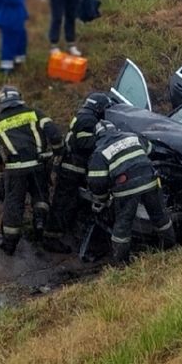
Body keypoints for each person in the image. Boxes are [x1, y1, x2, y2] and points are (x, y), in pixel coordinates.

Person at [0, 85, 63, 255]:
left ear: (1, 102)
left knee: (14, 205)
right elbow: (54, 133)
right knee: (41, 197)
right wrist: (57, 152)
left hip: (14, 170)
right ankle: (39, 224)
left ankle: (9, 244)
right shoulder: (34, 113)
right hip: (38, 165)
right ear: (19, 97)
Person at [87, 120, 175, 264]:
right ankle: (170, 247)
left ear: (99, 136)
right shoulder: (132, 136)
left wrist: (101, 200)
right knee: (160, 217)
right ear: (115, 129)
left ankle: (121, 263)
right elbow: (149, 150)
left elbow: (97, 182)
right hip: (150, 181)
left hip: (126, 190)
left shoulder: (100, 151)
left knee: (123, 225)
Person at [46, 91, 112, 247]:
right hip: (72, 168)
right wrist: (103, 139)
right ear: (99, 108)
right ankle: (51, 238)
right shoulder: (88, 119)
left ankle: (62, 232)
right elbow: (83, 143)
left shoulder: (84, 116)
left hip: (71, 167)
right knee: (63, 203)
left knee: (68, 202)